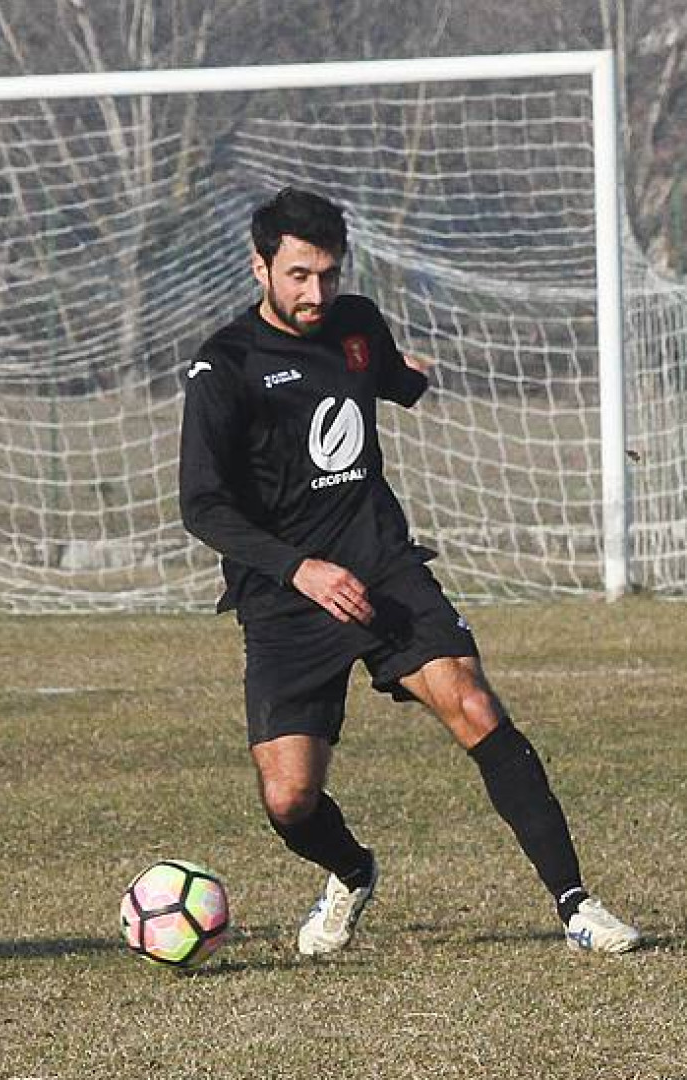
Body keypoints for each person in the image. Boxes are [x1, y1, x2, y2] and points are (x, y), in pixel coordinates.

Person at [177, 185, 641, 958]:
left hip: (382, 566)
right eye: (297, 275)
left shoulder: (356, 323)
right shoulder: (224, 367)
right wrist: (302, 571)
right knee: (290, 798)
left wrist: (418, 377)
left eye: (327, 274)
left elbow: (382, 375)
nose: (315, 292)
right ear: (259, 267)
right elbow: (202, 506)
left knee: (474, 705)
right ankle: (352, 872)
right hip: (286, 596)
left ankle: (576, 905)